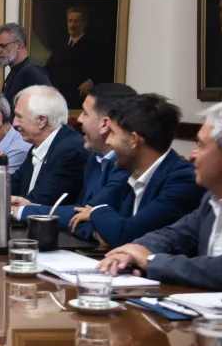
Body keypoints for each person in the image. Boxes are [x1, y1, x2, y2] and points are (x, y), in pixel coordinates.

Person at [99, 99, 222, 291]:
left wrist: (151, 261)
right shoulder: (211, 200)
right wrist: (131, 252)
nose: (192, 155)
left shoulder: (184, 179)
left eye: (201, 145)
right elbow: (175, 234)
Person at [63, 94, 204, 247]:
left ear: (134, 140)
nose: (108, 141)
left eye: (113, 133)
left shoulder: (183, 181)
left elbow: (127, 235)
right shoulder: (128, 174)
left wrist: (96, 213)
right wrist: (102, 231)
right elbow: (81, 221)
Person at [18, 83, 136, 234]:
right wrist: (31, 207)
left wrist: (22, 212)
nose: (79, 119)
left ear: (105, 124)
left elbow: (90, 216)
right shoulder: (94, 158)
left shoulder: (126, 164)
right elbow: (80, 212)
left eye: (85, 113)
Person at [0, 86, 87, 206]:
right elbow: (13, 185)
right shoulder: (37, 146)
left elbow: (37, 202)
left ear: (42, 120)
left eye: (19, 116)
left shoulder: (69, 149)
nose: (15, 123)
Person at [44, 7, 113, 109]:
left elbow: (104, 70)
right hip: (59, 98)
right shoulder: (60, 46)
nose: (72, 25)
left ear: (84, 23)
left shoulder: (94, 46)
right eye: (70, 21)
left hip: (81, 100)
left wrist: (91, 82)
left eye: (76, 21)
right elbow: (49, 68)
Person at [0, 22, 51, 110]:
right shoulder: (15, 71)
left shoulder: (32, 71)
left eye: (2, 46)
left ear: (19, 45)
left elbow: (50, 105)